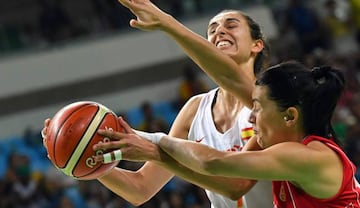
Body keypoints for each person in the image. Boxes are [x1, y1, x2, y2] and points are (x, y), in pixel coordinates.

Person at [42, 0, 273, 208]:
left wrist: (165, 21)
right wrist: (82, 154)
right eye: (212, 29)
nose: (219, 31)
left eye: (231, 25)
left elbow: (236, 185)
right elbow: (140, 188)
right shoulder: (195, 109)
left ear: (257, 44)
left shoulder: (272, 100)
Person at [103, 61, 360, 207]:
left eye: (257, 108)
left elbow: (214, 162)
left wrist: (151, 139)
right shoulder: (276, 146)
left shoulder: (309, 156)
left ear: (290, 116)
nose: (251, 116)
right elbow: (228, 182)